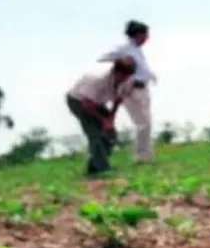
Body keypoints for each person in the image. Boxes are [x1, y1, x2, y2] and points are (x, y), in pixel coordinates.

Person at [66, 57, 137, 176]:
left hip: (97, 102)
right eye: (122, 75)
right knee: (95, 133)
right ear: (115, 71)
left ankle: (94, 166)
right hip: (78, 101)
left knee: (110, 134)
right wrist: (103, 120)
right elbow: (86, 104)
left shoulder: (128, 81)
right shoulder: (97, 79)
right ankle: (102, 168)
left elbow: (118, 101)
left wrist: (111, 119)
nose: (124, 78)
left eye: (128, 75)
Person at [99, 20, 155, 163]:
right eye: (144, 35)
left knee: (147, 122)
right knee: (142, 123)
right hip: (131, 89)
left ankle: (146, 154)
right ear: (137, 35)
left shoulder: (137, 50)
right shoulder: (123, 48)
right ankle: (140, 156)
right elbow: (102, 59)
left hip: (143, 88)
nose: (147, 38)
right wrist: (121, 65)